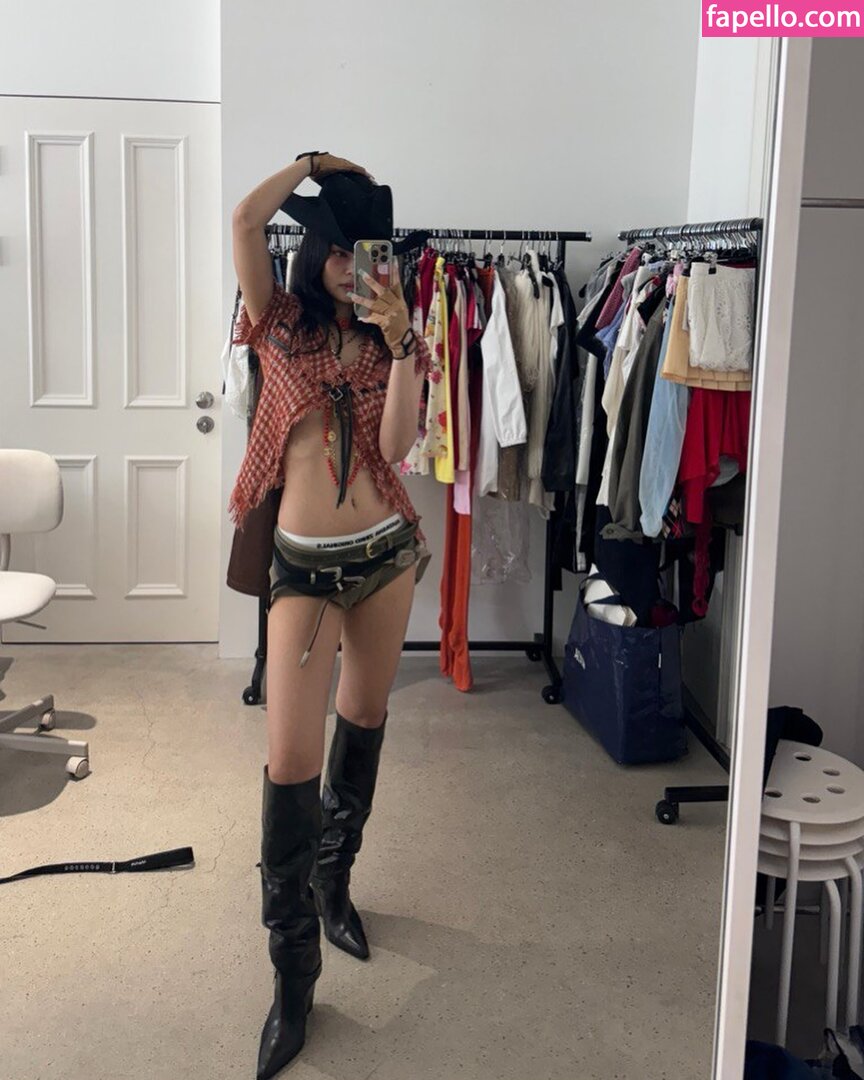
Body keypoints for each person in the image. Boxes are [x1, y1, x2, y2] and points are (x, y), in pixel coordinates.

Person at [230, 151, 432, 1079]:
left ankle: (335, 884)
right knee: (289, 765)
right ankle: (293, 980)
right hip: (304, 569)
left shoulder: (397, 335)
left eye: (369, 250)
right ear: (316, 251)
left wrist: (403, 343)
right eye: (342, 249)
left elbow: (396, 444)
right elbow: (244, 221)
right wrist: (309, 163)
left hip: (384, 556)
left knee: (364, 724)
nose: (355, 266)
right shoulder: (278, 320)